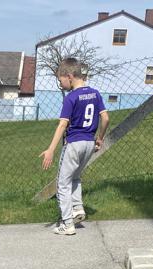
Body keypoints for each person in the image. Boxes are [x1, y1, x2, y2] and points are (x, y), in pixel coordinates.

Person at [39, 57, 109, 236]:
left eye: (60, 80)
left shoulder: (71, 98)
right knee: (76, 177)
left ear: (69, 76)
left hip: (73, 144)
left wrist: (50, 150)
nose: (60, 84)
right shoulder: (95, 94)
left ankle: (67, 223)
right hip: (89, 143)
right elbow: (105, 118)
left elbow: (62, 124)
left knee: (62, 183)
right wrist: (100, 138)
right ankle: (78, 209)